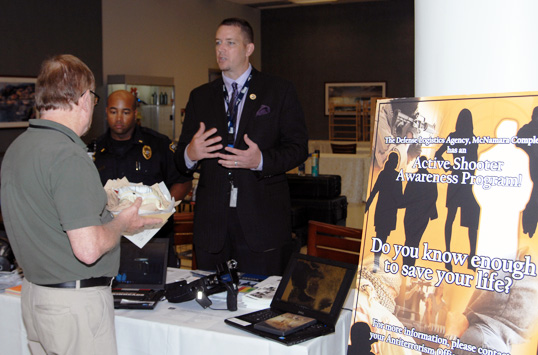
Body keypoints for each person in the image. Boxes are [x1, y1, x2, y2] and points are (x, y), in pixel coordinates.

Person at [0, 54, 161, 355]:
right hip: (73, 306)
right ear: (85, 98)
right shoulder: (69, 156)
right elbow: (87, 250)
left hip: (35, 297)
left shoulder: (18, 148)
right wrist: (122, 223)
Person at [174, 18, 308, 276]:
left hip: (261, 220)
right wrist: (190, 154)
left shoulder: (278, 91)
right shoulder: (200, 96)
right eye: (217, 43)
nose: (221, 49)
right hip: (213, 225)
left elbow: (298, 148)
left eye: (230, 43)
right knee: (209, 303)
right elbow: (180, 161)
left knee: (259, 306)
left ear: (249, 49)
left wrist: (260, 161)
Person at [91, 90, 192, 267]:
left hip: (153, 239)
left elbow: (183, 181)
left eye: (126, 112)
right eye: (114, 112)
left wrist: (162, 209)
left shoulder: (157, 144)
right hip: (111, 241)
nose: (119, 118)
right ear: (106, 112)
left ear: (135, 113)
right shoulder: (95, 150)